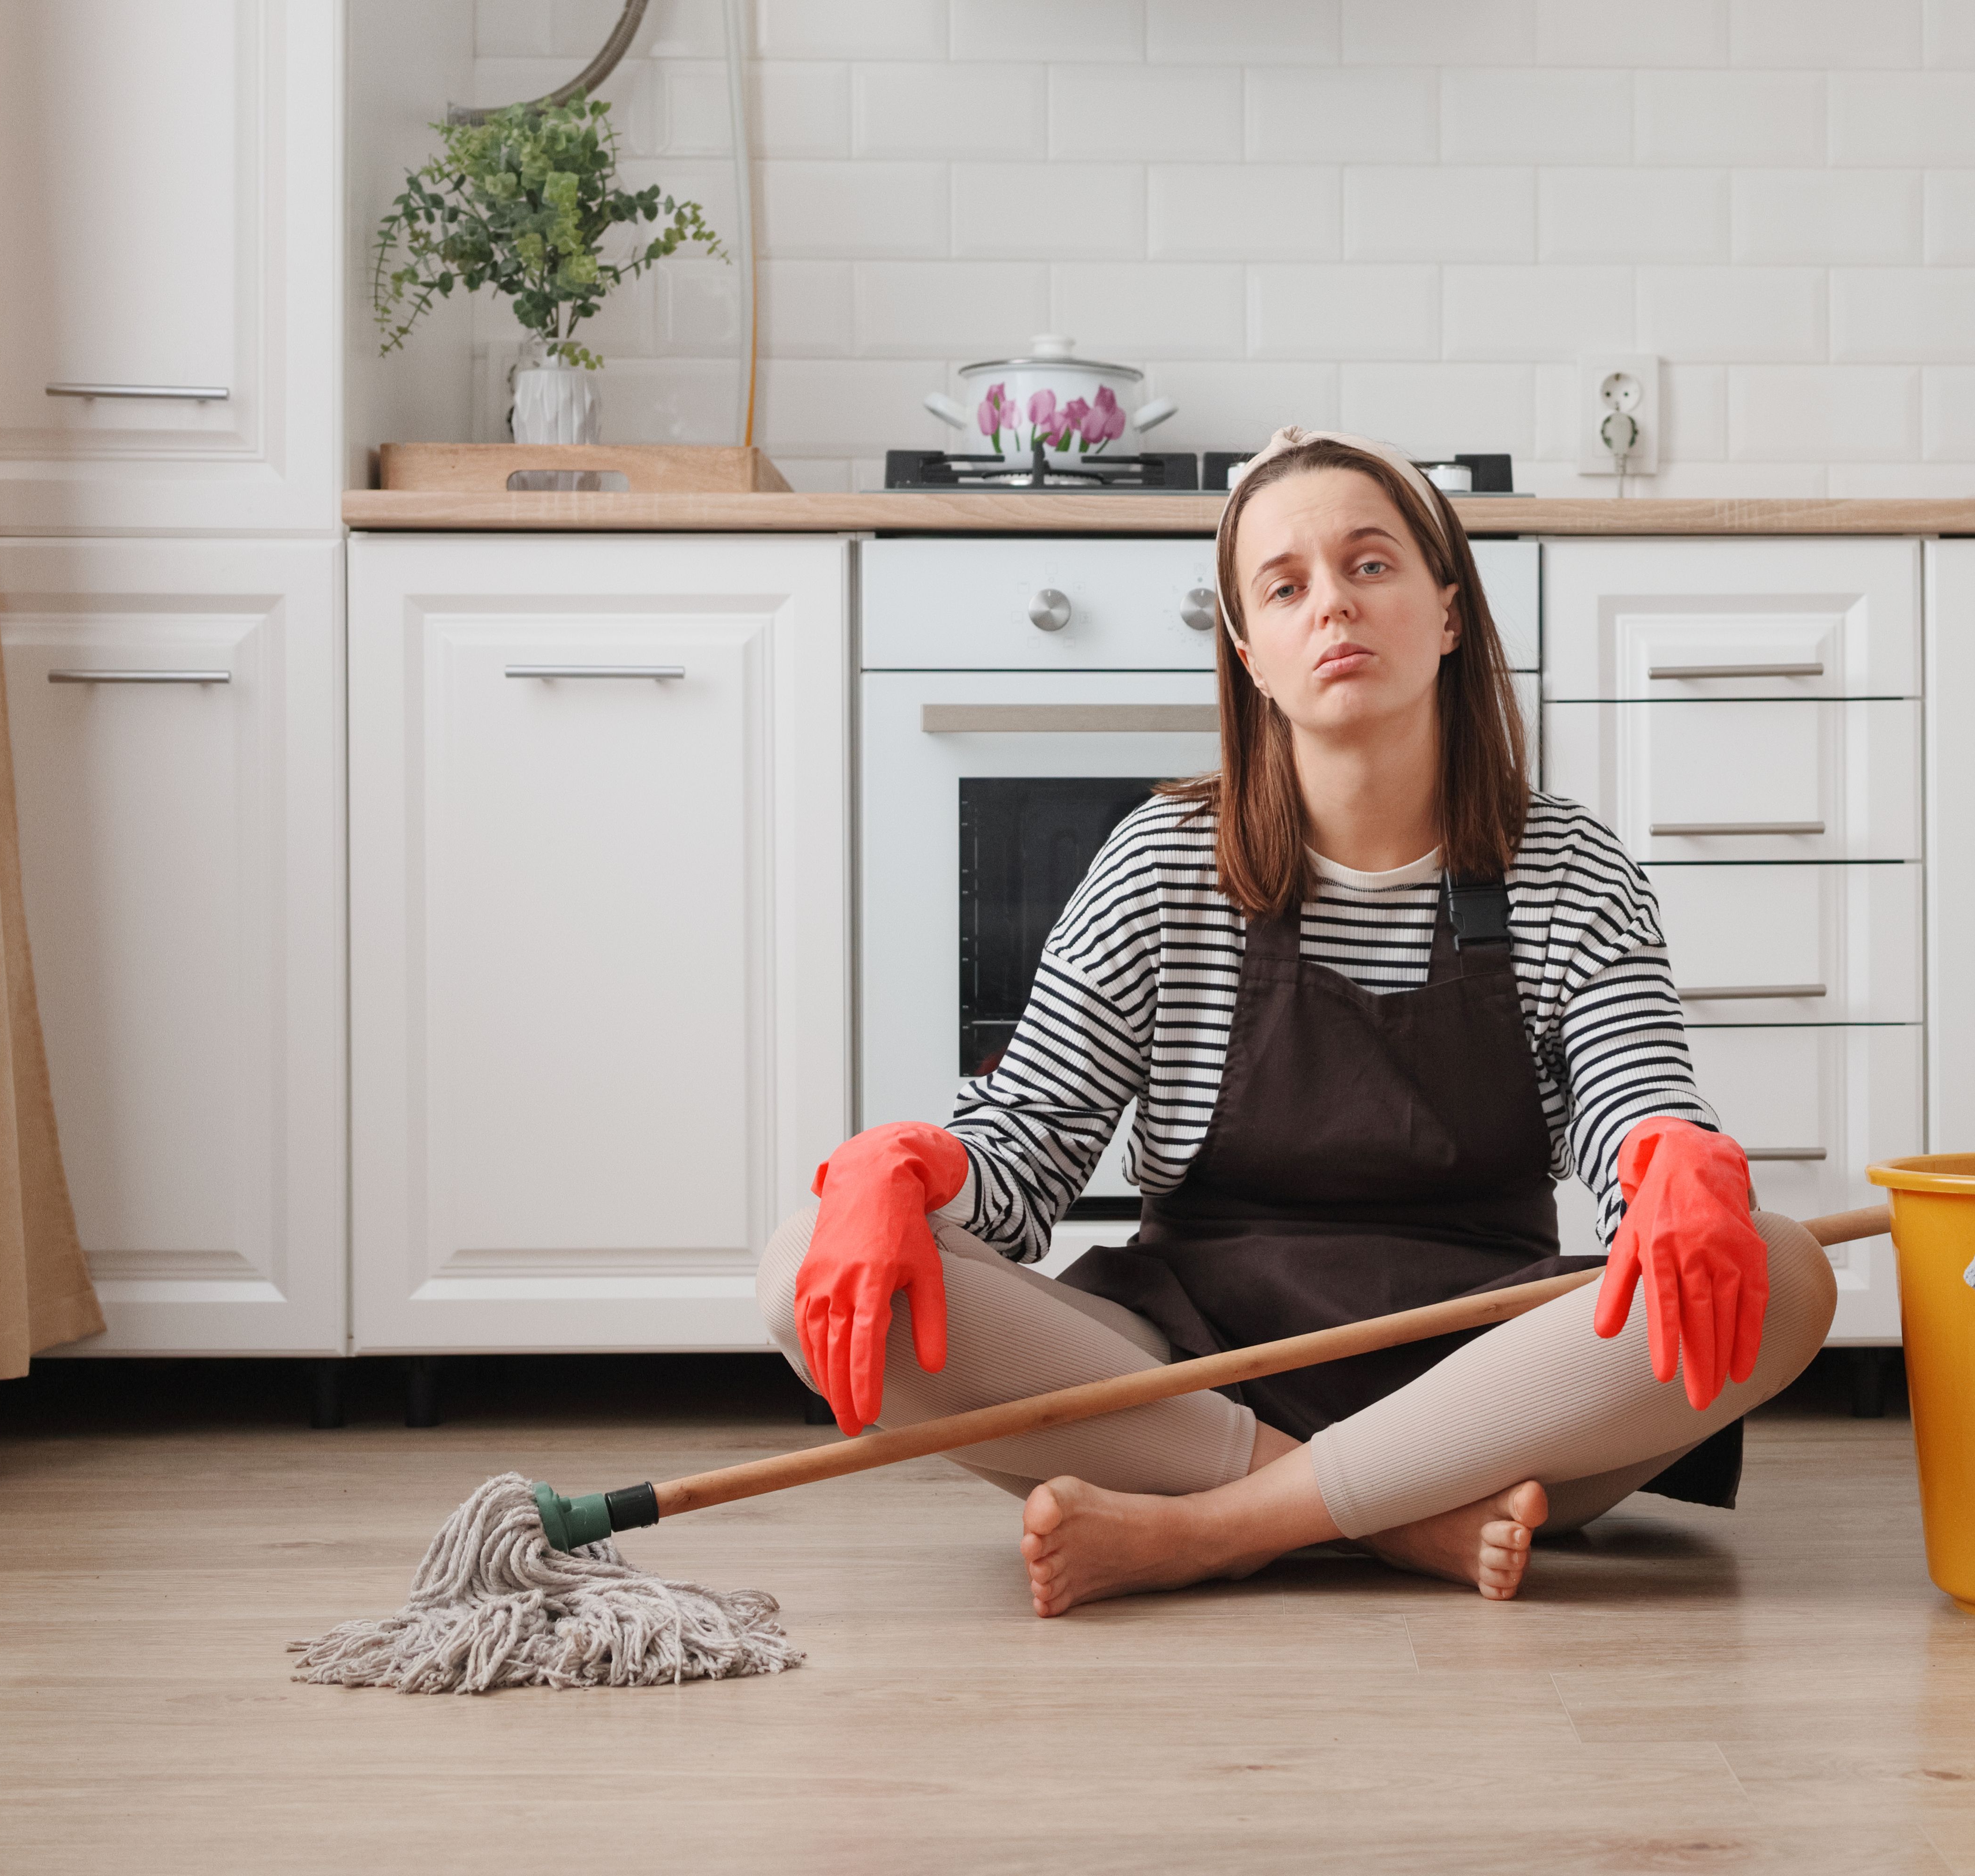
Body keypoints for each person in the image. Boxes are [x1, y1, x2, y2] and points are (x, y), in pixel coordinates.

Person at [759, 427, 1837, 1617]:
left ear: (1449, 611)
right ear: (1251, 657)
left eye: (1370, 564)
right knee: (802, 1263)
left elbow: (1642, 1112)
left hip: (1483, 1382)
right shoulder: (1163, 864)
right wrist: (904, 1167)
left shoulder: (1567, 867)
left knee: (1785, 1271)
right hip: (1187, 1373)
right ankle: (1389, 1516)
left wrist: (1676, 1160)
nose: (1333, 604)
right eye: (1284, 587)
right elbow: (1025, 1159)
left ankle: (1212, 1528)